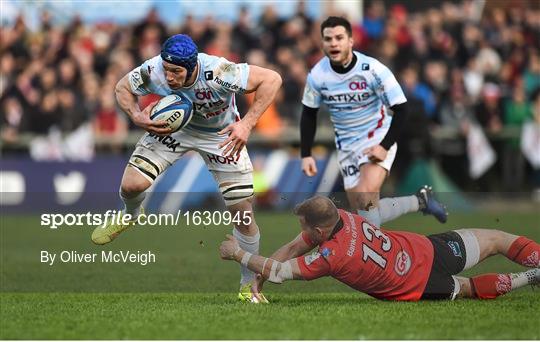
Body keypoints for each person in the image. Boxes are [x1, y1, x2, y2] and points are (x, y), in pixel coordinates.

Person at [91, 34, 282, 303]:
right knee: (131, 185)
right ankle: (131, 214)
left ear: (192, 67)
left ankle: (247, 287)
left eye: (176, 72)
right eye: (166, 70)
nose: (169, 78)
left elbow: (272, 79)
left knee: (244, 216)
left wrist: (247, 124)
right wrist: (136, 116)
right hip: (175, 131)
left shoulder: (218, 71)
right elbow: (122, 88)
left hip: (220, 135)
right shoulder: (153, 70)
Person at [220, 195, 539, 301]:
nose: (300, 232)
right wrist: (256, 280)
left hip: (418, 285)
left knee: (469, 289)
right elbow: (291, 249)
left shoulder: (331, 257)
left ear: (318, 231)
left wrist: (239, 254)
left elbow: (280, 270)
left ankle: (530, 279)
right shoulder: (342, 217)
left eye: (303, 226)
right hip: (429, 249)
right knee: (499, 239)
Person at [299, 17, 447, 228]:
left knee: (365, 195)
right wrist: (306, 154)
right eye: (328, 39)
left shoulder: (373, 69)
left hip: (377, 137)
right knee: (364, 210)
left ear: (351, 41)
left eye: (339, 38)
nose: (334, 43)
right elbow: (308, 113)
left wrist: (384, 146)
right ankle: (420, 201)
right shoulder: (318, 75)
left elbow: (402, 109)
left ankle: (376, 257)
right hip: (347, 147)